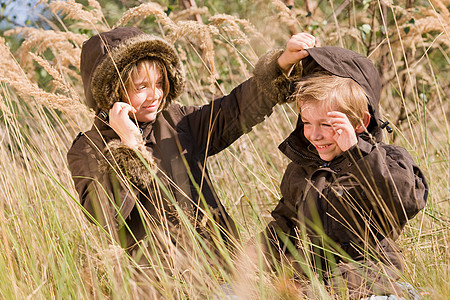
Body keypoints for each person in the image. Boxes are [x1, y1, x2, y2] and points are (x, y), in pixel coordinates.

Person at [67, 27, 315, 260]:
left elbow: (234, 110)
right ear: (111, 91)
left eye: (160, 83)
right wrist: (130, 146)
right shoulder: (88, 149)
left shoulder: (177, 121)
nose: (155, 95)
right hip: (162, 283)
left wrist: (281, 65)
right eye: (142, 87)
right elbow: (106, 216)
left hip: (223, 264)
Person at [260, 46, 428, 299]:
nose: (314, 135)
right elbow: (284, 226)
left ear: (359, 122)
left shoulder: (388, 159)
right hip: (313, 286)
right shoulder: (303, 168)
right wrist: (243, 263)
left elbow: (404, 203)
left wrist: (358, 155)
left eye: (326, 124)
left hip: (370, 282)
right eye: (307, 123)